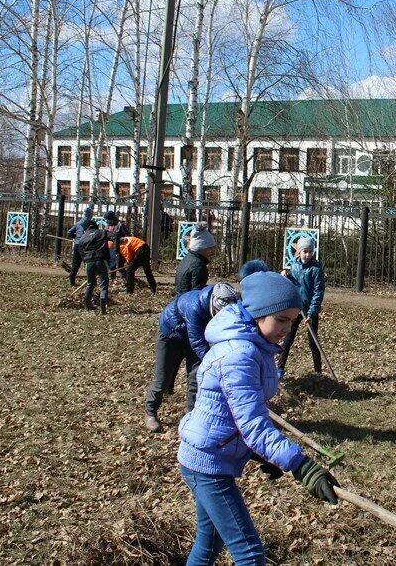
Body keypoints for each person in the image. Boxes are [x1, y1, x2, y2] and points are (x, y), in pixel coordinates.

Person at [178, 271, 338, 564]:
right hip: (208, 463)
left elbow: (232, 417)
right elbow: (252, 425)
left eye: (291, 321)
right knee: (250, 554)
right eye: (281, 319)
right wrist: (301, 466)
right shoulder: (239, 354)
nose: (287, 329)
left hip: (211, 453)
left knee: (209, 541)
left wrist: (265, 456)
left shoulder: (254, 346)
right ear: (257, 314)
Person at [145, 282, 242, 432]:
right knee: (162, 378)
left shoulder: (229, 302)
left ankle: (191, 416)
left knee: (196, 377)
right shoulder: (195, 307)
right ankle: (150, 412)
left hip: (193, 336)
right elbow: (197, 342)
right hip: (171, 334)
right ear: (213, 305)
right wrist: (215, 361)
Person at [278, 237, 326, 376]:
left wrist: (312, 312)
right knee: (288, 339)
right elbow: (294, 284)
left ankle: (318, 371)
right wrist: (286, 277)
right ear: (299, 252)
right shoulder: (294, 265)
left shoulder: (316, 269)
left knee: (313, 342)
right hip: (296, 309)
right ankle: (280, 368)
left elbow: (318, 292)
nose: (308, 254)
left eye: (310, 251)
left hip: (310, 311)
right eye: (305, 251)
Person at [78, 220, 110, 315]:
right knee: (103, 284)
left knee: (90, 283)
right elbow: (112, 238)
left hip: (89, 262)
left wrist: (86, 260)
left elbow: (81, 252)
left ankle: (87, 305)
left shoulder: (82, 238)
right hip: (100, 260)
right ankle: (102, 309)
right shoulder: (102, 232)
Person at [176, 223, 215, 295]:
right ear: (202, 247)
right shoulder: (199, 266)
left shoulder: (187, 258)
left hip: (180, 299)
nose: (212, 251)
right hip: (187, 303)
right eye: (210, 248)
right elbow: (196, 295)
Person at [66, 205, 94, 286]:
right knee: (89, 264)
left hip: (78, 245)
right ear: (91, 215)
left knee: (75, 264)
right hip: (87, 246)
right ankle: (91, 282)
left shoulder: (78, 223)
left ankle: (72, 281)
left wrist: (77, 237)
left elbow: (69, 233)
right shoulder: (92, 223)